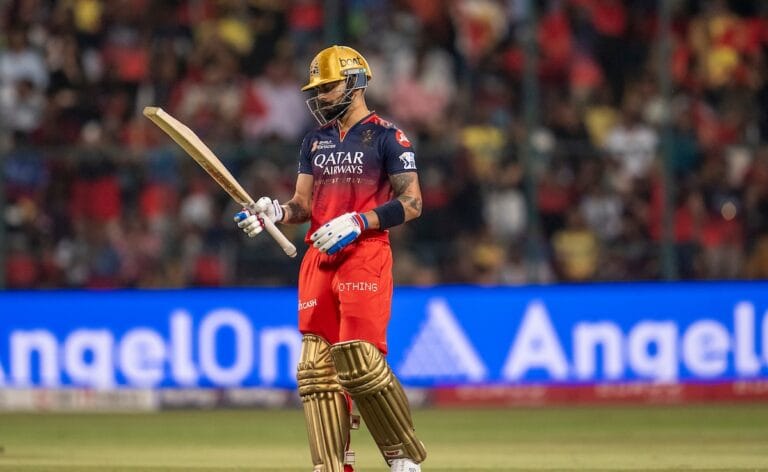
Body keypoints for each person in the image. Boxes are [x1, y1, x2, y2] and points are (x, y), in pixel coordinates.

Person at [234, 45, 427, 472]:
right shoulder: (314, 141)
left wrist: (360, 221)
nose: (321, 97)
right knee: (315, 371)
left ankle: (402, 458)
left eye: (329, 87)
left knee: (358, 360)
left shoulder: (388, 137)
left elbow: (412, 202)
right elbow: (302, 205)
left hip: (364, 252)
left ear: (356, 82)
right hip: (318, 256)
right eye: (317, 90)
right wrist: (275, 213)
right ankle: (333, 466)